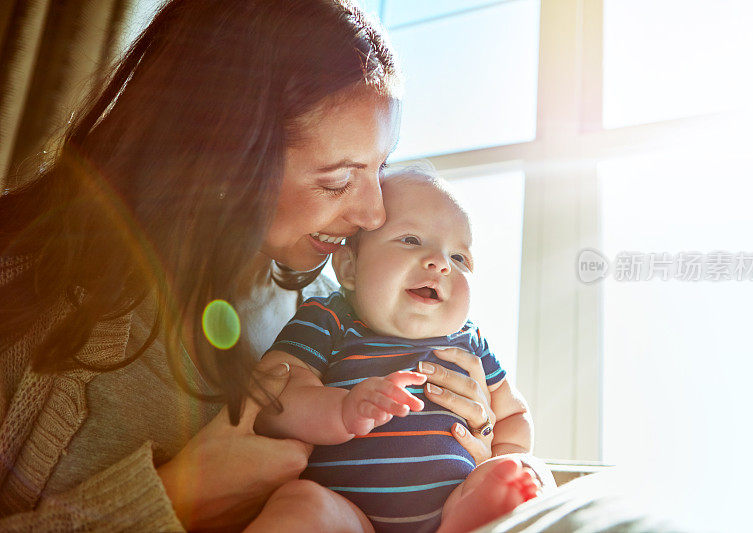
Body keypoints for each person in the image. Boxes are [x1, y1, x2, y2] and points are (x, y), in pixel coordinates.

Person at [0, 1, 511, 530]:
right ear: (223, 155)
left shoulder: (323, 311)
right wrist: (174, 501)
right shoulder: (20, 293)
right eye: (337, 181)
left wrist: (470, 448)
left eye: (380, 168)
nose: (373, 213)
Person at [251, 169, 544, 532]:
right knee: (301, 504)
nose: (439, 262)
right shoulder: (329, 318)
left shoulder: (471, 340)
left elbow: (514, 414)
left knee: (527, 473)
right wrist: (342, 410)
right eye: (410, 239)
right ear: (349, 268)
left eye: (459, 258)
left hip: (452, 508)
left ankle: (478, 517)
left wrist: (497, 464)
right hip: (349, 515)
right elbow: (274, 394)